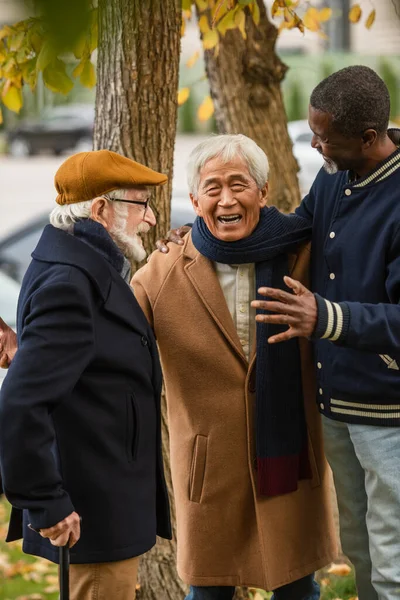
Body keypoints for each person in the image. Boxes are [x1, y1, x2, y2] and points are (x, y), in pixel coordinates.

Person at [160, 66, 400, 600]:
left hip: (389, 414)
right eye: (314, 134)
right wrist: (199, 234)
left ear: (368, 137)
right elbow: (291, 226)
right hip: (336, 411)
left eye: (323, 139)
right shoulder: (338, 177)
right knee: (361, 552)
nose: (314, 145)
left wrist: (327, 318)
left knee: (394, 562)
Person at [132, 134, 337, 600]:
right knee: (208, 594)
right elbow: (113, 334)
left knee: (298, 588)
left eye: (239, 184)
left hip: (289, 457)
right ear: (194, 200)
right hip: (210, 471)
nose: (226, 199)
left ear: (263, 193)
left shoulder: (304, 256)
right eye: (212, 187)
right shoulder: (163, 271)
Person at [0, 149, 171, 600]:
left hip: (105, 498)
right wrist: (47, 504)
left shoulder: (77, 261)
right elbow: (20, 403)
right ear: (100, 209)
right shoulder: (71, 283)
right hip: (89, 514)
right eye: (140, 205)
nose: (149, 220)